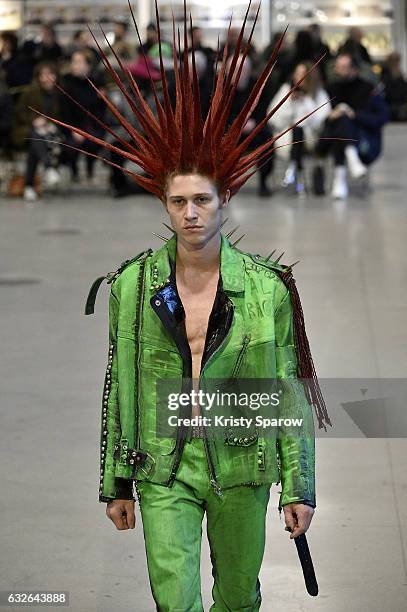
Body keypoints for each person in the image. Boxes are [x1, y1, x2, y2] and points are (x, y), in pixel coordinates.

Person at [42, 4, 331, 609]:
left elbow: (288, 388)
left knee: (237, 598)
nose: (191, 213)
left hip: (242, 464)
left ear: (226, 199)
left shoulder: (267, 289)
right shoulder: (132, 286)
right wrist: (113, 482)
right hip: (161, 464)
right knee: (174, 602)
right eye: (178, 202)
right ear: (165, 205)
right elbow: (120, 381)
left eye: (202, 199)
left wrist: (299, 486)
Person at [317, 53, 389, 199]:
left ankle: (340, 179)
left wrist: (355, 115)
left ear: (354, 69)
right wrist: (331, 115)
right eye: (338, 67)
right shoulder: (330, 89)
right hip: (329, 138)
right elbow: (318, 115)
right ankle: (351, 156)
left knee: (344, 121)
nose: (338, 70)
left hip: (363, 138)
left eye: (343, 67)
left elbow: (382, 117)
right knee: (341, 119)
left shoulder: (368, 89)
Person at [268, 61, 331, 194]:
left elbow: (322, 118)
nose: (297, 77)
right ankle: (294, 168)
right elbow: (273, 116)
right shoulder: (287, 90)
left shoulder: (318, 93)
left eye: (301, 74)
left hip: (311, 138)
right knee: (297, 130)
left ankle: (293, 167)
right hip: (287, 135)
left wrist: (306, 105)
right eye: (296, 74)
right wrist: (291, 102)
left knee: (300, 127)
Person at [10, 61, 62, 201]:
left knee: (35, 142)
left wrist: (48, 123)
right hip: (26, 130)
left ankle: (29, 186)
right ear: (38, 77)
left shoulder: (59, 94)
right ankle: (49, 167)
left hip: (53, 133)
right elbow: (20, 114)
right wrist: (34, 121)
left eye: (51, 74)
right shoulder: (29, 93)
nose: (47, 78)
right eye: (44, 75)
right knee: (35, 136)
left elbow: (62, 116)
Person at [381, 51, 407, 122]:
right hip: (393, 102)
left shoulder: (397, 72)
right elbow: (389, 89)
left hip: (398, 100)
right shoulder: (387, 73)